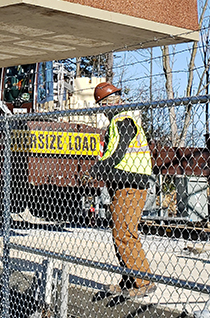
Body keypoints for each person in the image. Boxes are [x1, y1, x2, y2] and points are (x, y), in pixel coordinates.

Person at [89, 82, 155, 297]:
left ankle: (144, 282)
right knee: (120, 234)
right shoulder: (119, 121)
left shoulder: (123, 121)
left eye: (103, 105)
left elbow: (116, 155)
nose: (103, 109)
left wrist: (95, 170)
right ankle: (129, 282)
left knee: (125, 233)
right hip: (122, 184)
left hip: (131, 184)